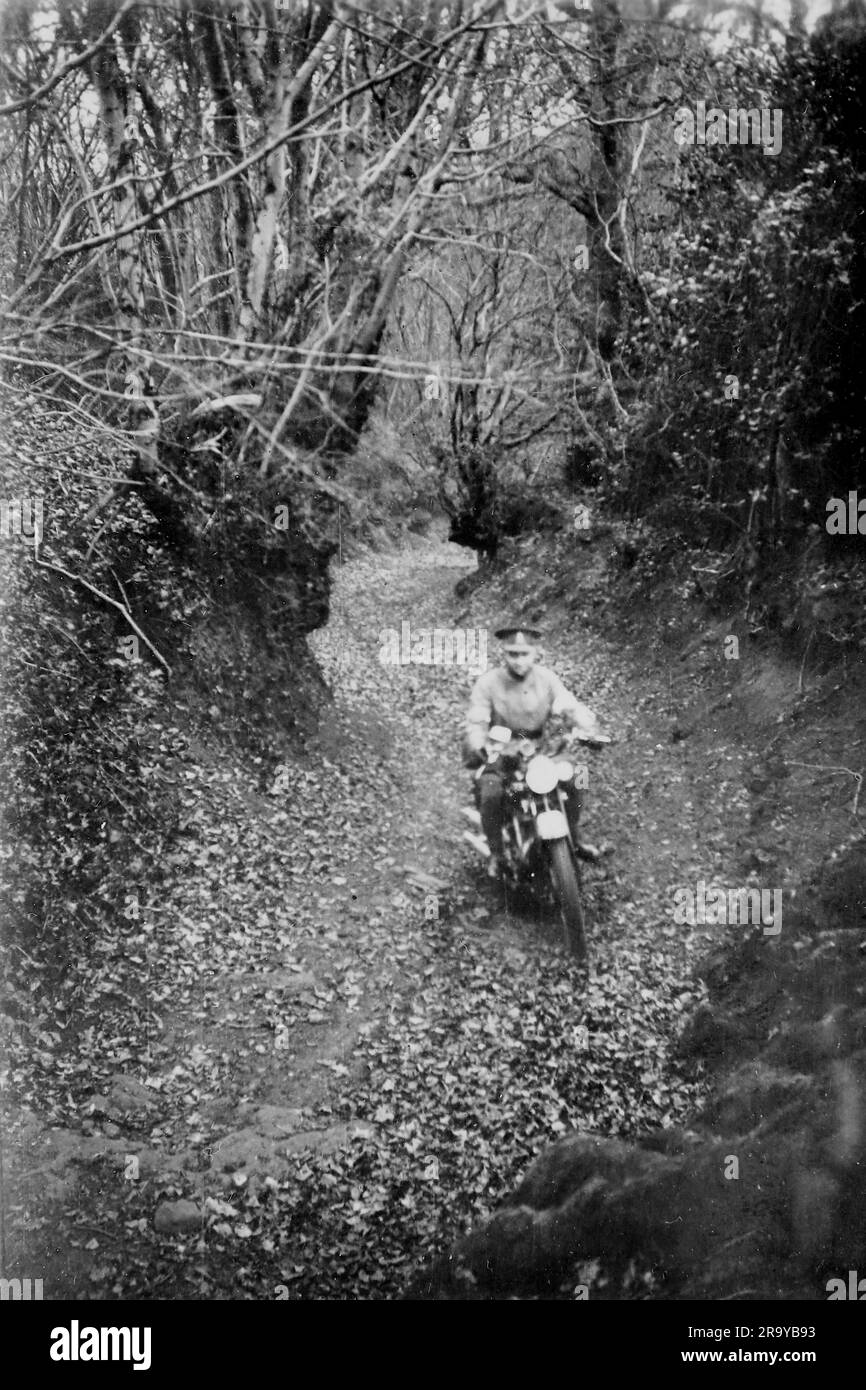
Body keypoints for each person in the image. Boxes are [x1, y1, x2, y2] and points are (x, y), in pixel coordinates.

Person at [462, 624, 602, 878]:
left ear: (535, 653)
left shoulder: (546, 679)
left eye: (524, 654)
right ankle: (497, 853)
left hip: (541, 751)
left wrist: (586, 726)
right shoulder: (488, 683)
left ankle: (575, 835)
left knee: (575, 776)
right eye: (512, 654)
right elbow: (476, 719)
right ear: (503, 654)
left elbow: (568, 703)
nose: (518, 661)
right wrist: (479, 744)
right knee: (491, 792)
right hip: (502, 751)